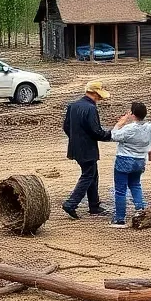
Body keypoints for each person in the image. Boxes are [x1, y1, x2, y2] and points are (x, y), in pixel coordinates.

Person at [109, 101, 151, 229]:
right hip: (140, 160)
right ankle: (140, 210)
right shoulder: (150, 127)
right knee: (135, 185)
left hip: (124, 159)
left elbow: (113, 136)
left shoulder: (129, 128)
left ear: (133, 114)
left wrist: (120, 123)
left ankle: (119, 219)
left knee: (120, 190)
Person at [61, 80, 114, 219]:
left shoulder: (73, 105)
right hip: (87, 149)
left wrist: (75, 139)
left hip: (75, 147)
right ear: (95, 93)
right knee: (88, 175)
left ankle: (94, 205)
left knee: (92, 174)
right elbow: (95, 131)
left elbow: (66, 127)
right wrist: (110, 135)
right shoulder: (90, 108)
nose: (101, 98)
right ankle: (71, 203)